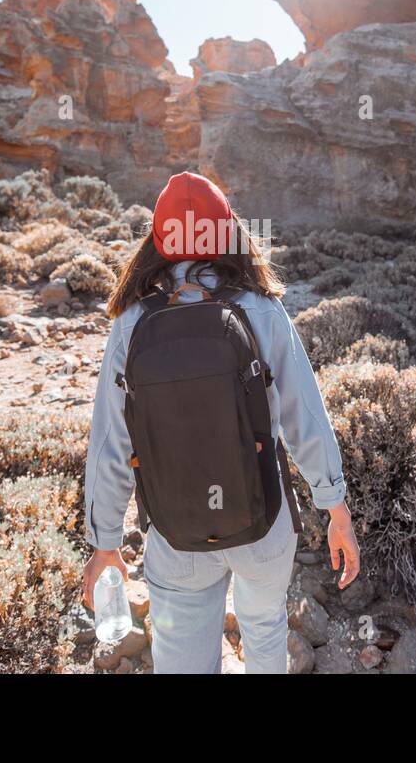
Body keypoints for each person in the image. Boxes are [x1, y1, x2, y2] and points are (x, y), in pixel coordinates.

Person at [82, 171, 360, 674]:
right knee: (264, 633)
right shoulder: (261, 307)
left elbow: (110, 441)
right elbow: (305, 419)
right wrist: (334, 507)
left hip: (174, 528)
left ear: (160, 238)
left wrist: (105, 544)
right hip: (263, 520)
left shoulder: (131, 320)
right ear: (228, 232)